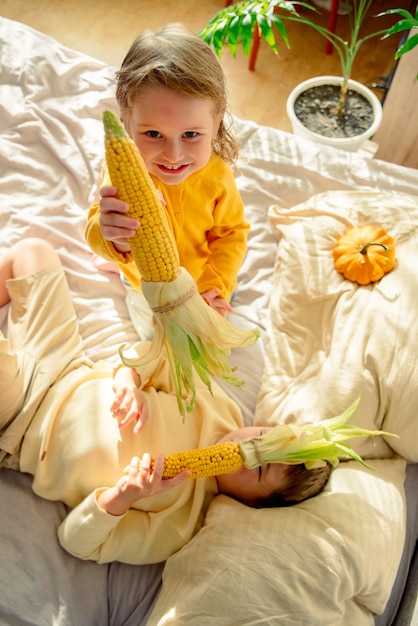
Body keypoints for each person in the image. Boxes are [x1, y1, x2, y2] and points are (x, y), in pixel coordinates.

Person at [0, 239, 330, 565]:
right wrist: (128, 379)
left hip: (24, 423)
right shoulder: (218, 406)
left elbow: (77, 542)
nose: (247, 452)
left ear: (255, 504)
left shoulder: (179, 524)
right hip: (65, 364)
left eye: (259, 468)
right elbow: (155, 360)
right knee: (33, 253)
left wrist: (124, 495)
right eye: (260, 438)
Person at [85, 23, 250, 339]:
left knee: (215, 338)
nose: (173, 156)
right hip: (146, 286)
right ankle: (119, 268)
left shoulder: (216, 177)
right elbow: (95, 226)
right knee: (157, 342)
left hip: (202, 277)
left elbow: (232, 233)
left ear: (215, 125)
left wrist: (215, 286)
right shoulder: (120, 174)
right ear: (125, 122)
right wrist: (114, 239)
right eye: (152, 134)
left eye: (190, 134)